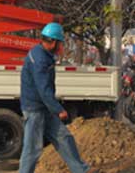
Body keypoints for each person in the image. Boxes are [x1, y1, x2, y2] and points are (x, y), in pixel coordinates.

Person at [19, 23, 96, 173]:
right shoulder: (40, 59)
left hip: (44, 107)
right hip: (35, 109)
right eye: (60, 43)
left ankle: (81, 170)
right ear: (53, 42)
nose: (62, 46)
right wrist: (58, 109)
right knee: (32, 149)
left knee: (64, 137)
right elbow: (44, 89)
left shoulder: (42, 53)